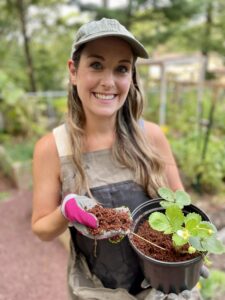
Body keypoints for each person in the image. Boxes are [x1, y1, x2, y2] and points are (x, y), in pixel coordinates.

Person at [32, 18, 204, 300]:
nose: (109, 82)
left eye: (122, 68)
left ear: (131, 77)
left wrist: (191, 256)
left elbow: (182, 207)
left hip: (162, 290)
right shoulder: (52, 149)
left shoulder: (153, 138)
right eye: (96, 65)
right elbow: (41, 229)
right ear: (73, 71)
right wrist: (65, 210)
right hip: (96, 292)